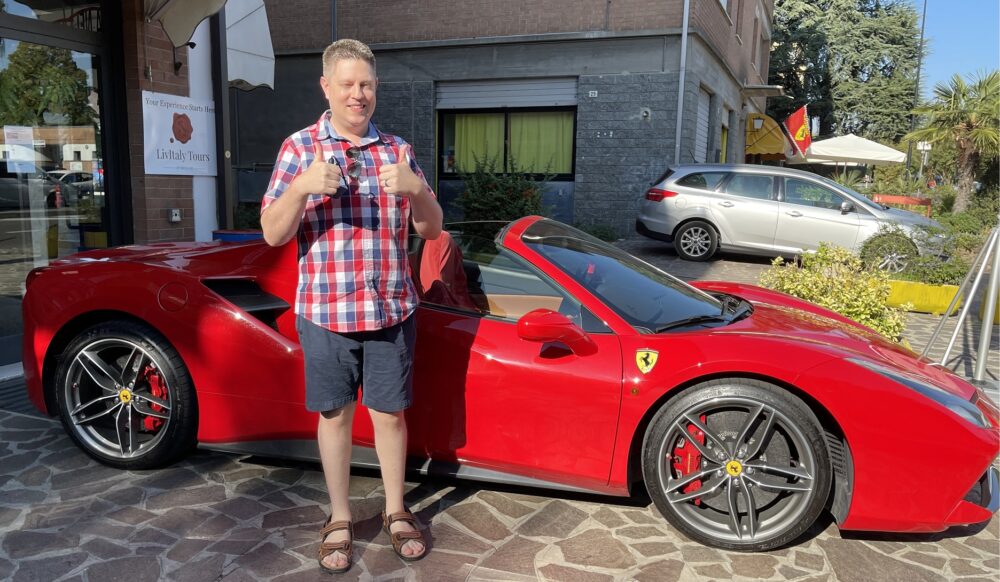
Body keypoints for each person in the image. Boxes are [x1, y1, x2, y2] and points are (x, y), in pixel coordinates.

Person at [260, 38, 442, 573]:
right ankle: (339, 517)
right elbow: (272, 234)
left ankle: (395, 509)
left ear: (375, 88)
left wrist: (416, 191)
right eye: (347, 84)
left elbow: (431, 229)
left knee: (390, 415)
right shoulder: (299, 149)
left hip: (390, 310)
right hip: (326, 313)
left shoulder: (398, 151)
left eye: (366, 84)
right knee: (334, 416)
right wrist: (300, 189)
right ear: (326, 87)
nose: (357, 94)